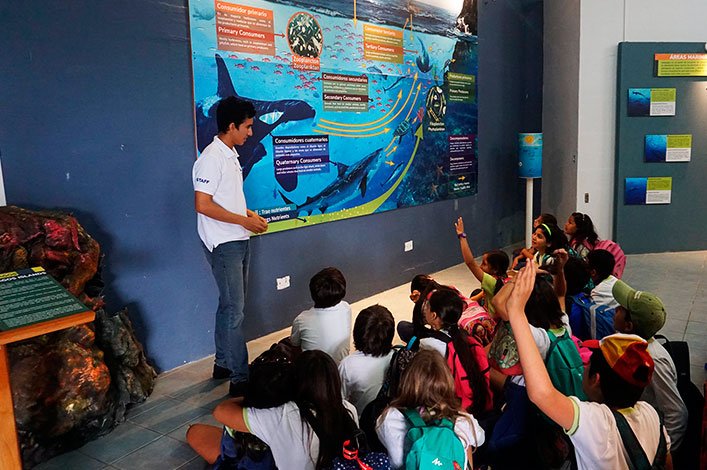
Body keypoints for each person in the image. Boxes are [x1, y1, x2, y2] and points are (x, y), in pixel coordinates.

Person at [503, 262, 672, 470]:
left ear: (596, 379)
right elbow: (667, 463)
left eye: (588, 365)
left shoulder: (594, 422)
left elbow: (541, 394)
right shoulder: (651, 414)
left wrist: (516, 311)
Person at [193, 96, 269, 397]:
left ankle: (223, 363)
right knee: (235, 310)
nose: (250, 133)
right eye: (247, 127)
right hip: (224, 244)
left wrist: (248, 216)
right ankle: (240, 378)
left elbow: (224, 198)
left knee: (228, 305)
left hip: (237, 238)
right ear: (231, 126)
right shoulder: (210, 158)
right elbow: (202, 204)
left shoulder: (229, 154)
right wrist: (243, 221)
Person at [187, 350, 360, 470]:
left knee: (195, 432)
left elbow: (220, 411)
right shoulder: (348, 409)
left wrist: (247, 399)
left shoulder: (284, 415)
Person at [376, 349, 485, 469]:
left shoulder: (389, 418)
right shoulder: (462, 420)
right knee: (467, 445)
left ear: (407, 381)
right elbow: (480, 438)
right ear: (447, 383)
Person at [612, 280, 687, 453]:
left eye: (621, 309)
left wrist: (661, 456)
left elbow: (677, 413)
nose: (616, 309)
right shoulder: (631, 344)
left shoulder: (653, 360)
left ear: (629, 326)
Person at [420, 287, 493, 416]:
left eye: (427, 306)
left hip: (456, 408)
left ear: (434, 315)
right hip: (479, 403)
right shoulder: (467, 338)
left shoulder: (428, 344)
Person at [339, 305, 396, 416]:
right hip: (391, 417)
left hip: (362, 422)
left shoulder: (348, 365)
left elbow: (340, 400)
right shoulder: (398, 356)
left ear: (357, 333)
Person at [290, 267, 352, 364]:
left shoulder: (301, 320)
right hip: (339, 369)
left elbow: (295, 347)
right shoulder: (346, 308)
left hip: (312, 372)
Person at [454, 217, 509, 317]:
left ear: (495, 269)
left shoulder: (492, 282)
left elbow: (470, 263)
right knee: (476, 293)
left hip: (493, 322)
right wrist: (469, 301)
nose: (480, 266)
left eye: (484, 264)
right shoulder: (503, 279)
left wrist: (462, 236)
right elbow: (482, 294)